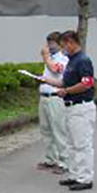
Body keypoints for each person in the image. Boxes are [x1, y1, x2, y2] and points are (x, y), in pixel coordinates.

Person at [42, 31, 96, 192]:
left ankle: (85, 178)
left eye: (64, 45)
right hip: (70, 107)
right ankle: (74, 174)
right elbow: (64, 82)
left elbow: (87, 83)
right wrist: (47, 80)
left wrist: (67, 91)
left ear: (71, 42)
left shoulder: (83, 60)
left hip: (81, 107)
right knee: (72, 144)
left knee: (82, 144)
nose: (63, 49)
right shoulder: (71, 61)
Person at [37, 32, 70, 174]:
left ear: (59, 44)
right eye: (48, 43)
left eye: (52, 43)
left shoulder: (63, 58)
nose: (49, 46)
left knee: (59, 130)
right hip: (44, 96)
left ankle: (65, 161)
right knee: (46, 129)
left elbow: (56, 70)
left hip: (56, 97)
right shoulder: (49, 58)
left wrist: (45, 57)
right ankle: (50, 158)